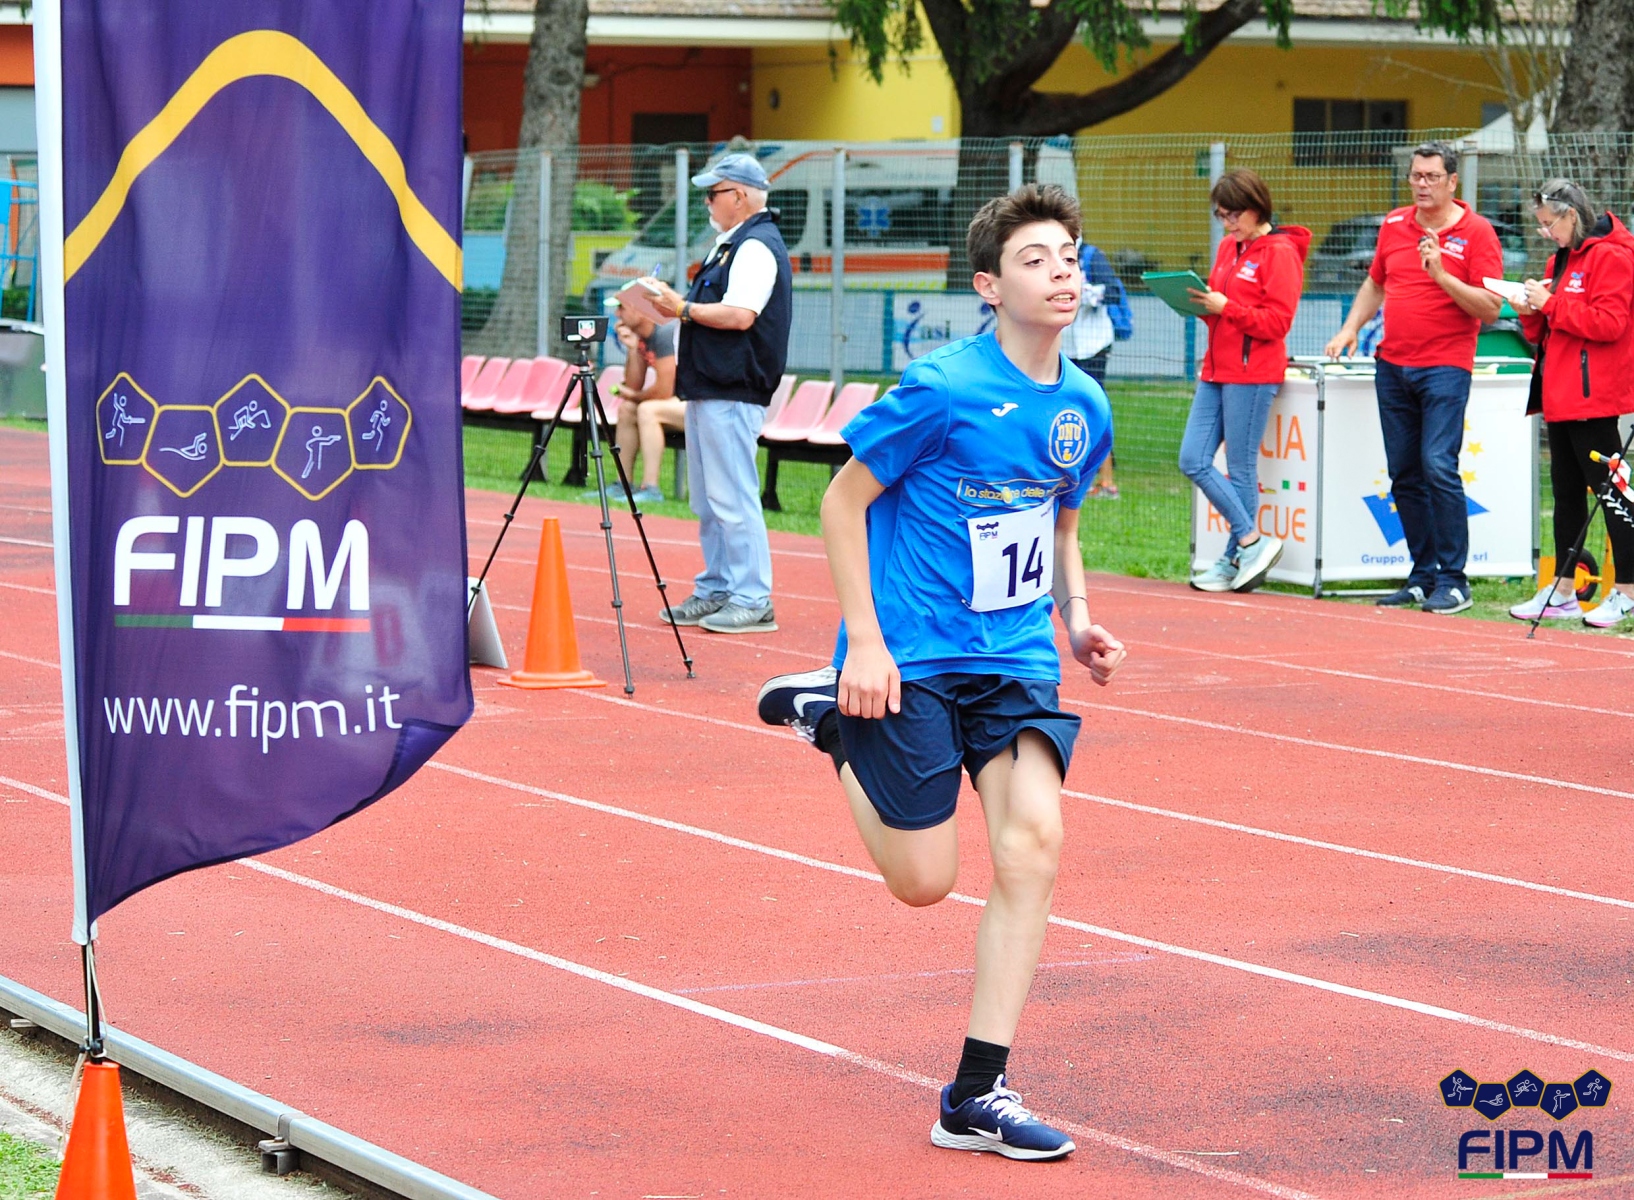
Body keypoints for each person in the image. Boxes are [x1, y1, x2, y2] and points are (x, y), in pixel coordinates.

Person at [755, 184, 1126, 1161]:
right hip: (912, 653)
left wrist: (1076, 620)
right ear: (988, 286)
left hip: (1014, 657)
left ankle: (976, 1092)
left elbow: (1059, 525)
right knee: (923, 881)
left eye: (1069, 256)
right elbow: (841, 505)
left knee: (1033, 845)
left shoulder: (1085, 404)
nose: (1061, 273)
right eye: (1035, 259)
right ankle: (829, 717)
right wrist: (864, 644)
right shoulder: (941, 388)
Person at [1324, 140, 1504, 614]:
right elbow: (1376, 282)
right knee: (1404, 472)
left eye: (1431, 177)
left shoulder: (1478, 232)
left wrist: (1442, 275)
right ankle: (1423, 575)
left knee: (1437, 464)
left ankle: (1455, 580)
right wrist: (1350, 328)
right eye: (1416, 176)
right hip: (1393, 365)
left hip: (1445, 366)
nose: (1422, 185)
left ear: (1452, 181)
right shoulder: (1393, 224)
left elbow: (1490, 309)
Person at [648, 152, 792, 634]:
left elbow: (739, 314)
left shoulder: (754, 246)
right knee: (711, 501)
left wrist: (682, 308)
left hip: (732, 387)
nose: (708, 202)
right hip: (712, 386)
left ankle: (752, 597)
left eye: (714, 193)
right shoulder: (733, 245)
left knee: (732, 497)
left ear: (740, 196)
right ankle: (717, 588)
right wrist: (679, 308)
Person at [1508, 179, 1634, 628]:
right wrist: (1530, 312)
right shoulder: (1560, 258)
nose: (1545, 233)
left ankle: (1627, 591)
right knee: (1565, 494)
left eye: (1549, 224)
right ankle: (1563, 590)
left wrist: (1551, 304)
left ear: (1571, 216)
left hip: (1594, 395)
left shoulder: (1612, 256)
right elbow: (1548, 331)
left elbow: (1610, 324)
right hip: (1558, 392)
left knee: (1613, 493)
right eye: (1540, 225)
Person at [1179, 168, 1310, 593]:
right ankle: (1251, 543)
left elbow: (1277, 323)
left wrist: (1226, 308)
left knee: (1239, 466)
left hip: (1252, 373)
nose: (1227, 224)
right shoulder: (1228, 247)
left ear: (1256, 208)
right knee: (1192, 459)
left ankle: (1234, 557)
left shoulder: (1280, 253)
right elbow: (1221, 304)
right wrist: (1198, 304)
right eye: (1221, 216)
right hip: (1216, 368)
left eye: (1233, 215)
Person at [596, 295, 683, 506]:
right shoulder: (644, 337)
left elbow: (663, 390)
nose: (617, 314)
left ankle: (651, 488)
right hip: (677, 403)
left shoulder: (665, 333)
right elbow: (634, 384)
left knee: (647, 409)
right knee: (627, 409)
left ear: (640, 310)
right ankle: (622, 484)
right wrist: (633, 349)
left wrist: (633, 396)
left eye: (622, 308)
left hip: (701, 403)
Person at [1064, 240, 1132, 498]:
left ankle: (1108, 481)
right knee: (1069, 408)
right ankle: (1075, 477)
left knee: (1094, 407)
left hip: (1093, 346)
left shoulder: (1091, 255)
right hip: (1066, 347)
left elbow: (1112, 292)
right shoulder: (1052, 255)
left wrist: (1086, 294)